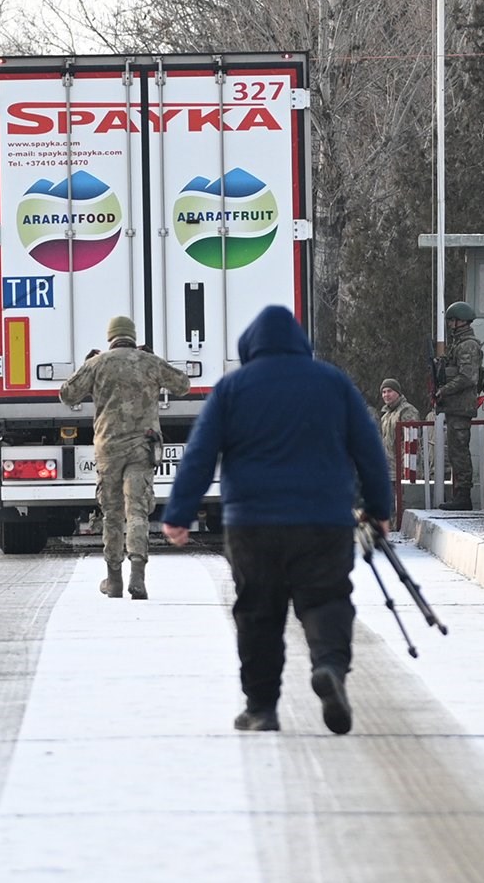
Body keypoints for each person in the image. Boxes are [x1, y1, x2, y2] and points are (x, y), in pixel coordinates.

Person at [162, 306, 392, 735]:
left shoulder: (232, 388)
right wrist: (379, 509)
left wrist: (179, 514)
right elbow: (369, 450)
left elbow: (199, 454)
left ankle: (262, 708)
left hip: (252, 524)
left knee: (258, 613)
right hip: (323, 521)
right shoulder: (333, 383)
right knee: (326, 600)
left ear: (250, 346)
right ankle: (328, 668)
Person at [60, 316, 190, 599]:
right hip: (142, 447)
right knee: (138, 512)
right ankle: (138, 577)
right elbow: (183, 385)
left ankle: (114, 579)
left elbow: (67, 394)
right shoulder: (148, 362)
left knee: (112, 514)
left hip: (108, 449)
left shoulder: (98, 363)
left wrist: (87, 365)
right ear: (132, 337)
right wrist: (153, 360)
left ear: (110, 338)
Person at [432, 301, 483, 510]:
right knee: (455, 450)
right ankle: (460, 495)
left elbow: (467, 377)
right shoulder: (458, 344)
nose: (450, 324)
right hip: (455, 405)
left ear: (460, 321)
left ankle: (463, 496)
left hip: (461, 406)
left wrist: (444, 390)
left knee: (459, 451)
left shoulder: (467, 345)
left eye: (452, 320)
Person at [373, 377, 418, 477]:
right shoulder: (385, 416)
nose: (386, 395)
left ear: (398, 392)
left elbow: (411, 441)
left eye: (390, 391)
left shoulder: (407, 411)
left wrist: (406, 470)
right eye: (383, 392)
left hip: (405, 470)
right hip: (389, 470)